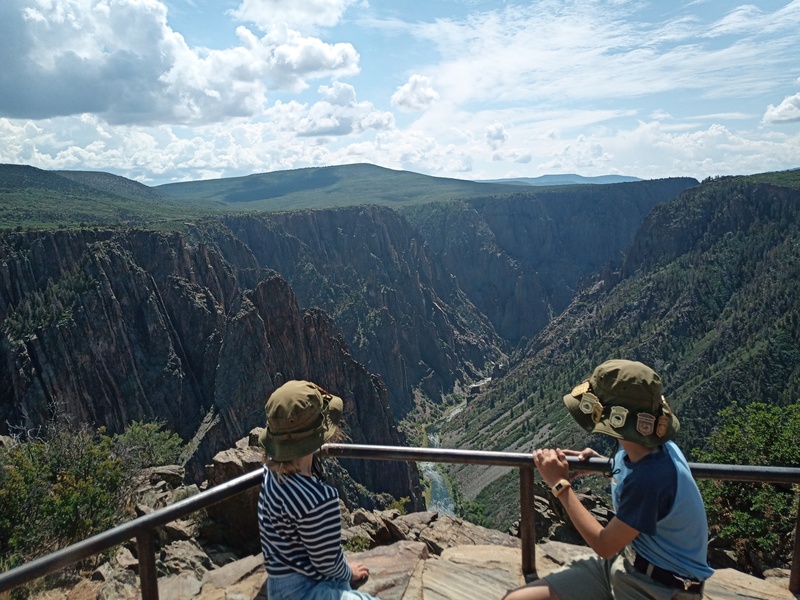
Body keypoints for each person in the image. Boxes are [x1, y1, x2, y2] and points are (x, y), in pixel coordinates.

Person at [504, 359, 714, 600]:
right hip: (625, 567)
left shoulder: (650, 478)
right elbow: (637, 479)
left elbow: (604, 545)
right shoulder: (649, 448)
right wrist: (604, 465)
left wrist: (559, 484)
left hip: (660, 590)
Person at [256, 379, 380, 600]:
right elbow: (327, 563)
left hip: (279, 585)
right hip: (306, 593)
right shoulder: (318, 499)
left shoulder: (270, 476)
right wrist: (348, 572)